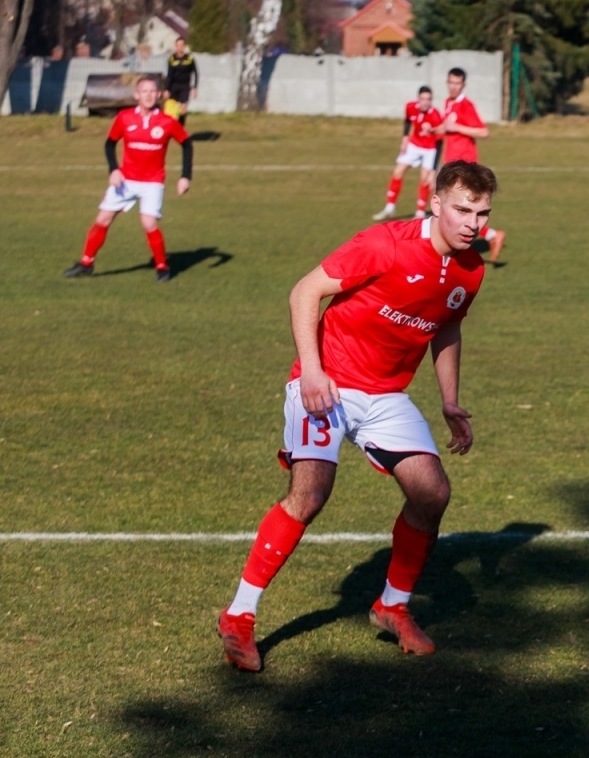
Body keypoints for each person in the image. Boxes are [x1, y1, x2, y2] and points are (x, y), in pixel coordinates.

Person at [216, 161, 496, 672]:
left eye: (481, 213)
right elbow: (305, 291)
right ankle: (239, 616)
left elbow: (446, 328)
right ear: (435, 203)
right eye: (462, 210)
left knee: (432, 492)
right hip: (327, 380)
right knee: (310, 494)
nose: (472, 224)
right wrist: (314, 374)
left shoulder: (470, 270)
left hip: (385, 395)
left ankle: (391, 605)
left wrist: (449, 400)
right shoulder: (383, 243)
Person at [62, 74, 192, 282]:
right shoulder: (124, 118)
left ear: (158, 94)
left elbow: (186, 143)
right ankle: (86, 263)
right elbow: (109, 143)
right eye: (144, 92)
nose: (149, 96)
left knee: (148, 222)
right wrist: (114, 170)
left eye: (152, 92)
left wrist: (185, 177)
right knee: (102, 219)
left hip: (152, 182)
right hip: (126, 180)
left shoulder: (167, 122)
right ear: (136, 95)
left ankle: (162, 267)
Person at [439, 68, 504, 261]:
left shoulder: (466, 106)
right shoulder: (447, 103)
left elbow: (483, 132)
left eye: (457, 83)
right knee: (453, 209)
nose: (453, 86)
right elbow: (447, 130)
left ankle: (451, 252)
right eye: (450, 82)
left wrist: (457, 127)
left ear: (463, 85)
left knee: (455, 209)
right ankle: (491, 236)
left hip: (465, 166)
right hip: (451, 164)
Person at [374, 85, 444, 221]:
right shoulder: (410, 107)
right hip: (414, 145)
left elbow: (440, 143)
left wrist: (434, 169)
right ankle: (390, 207)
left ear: (431, 100)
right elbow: (407, 121)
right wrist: (405, 138)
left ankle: (420, 212)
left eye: (428, 99)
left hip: (430, 149)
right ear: (418, 99)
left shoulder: (435, 115)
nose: (425, 102)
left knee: (425, 179)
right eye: (423, 99)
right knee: (398, 171)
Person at [163, 36, 197, 125]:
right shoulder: (171, 59)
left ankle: (181, 129)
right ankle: (171, 129)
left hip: (185, 86)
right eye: (178, 45)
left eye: (182, 45)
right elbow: (169, 75)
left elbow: (196, 73)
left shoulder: (190, 58)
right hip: (173, 86)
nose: (180, 47)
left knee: (183, 109)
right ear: (175, 46)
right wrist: (166, 89)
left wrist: (194, 87)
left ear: (184, 46)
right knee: (170, 109)